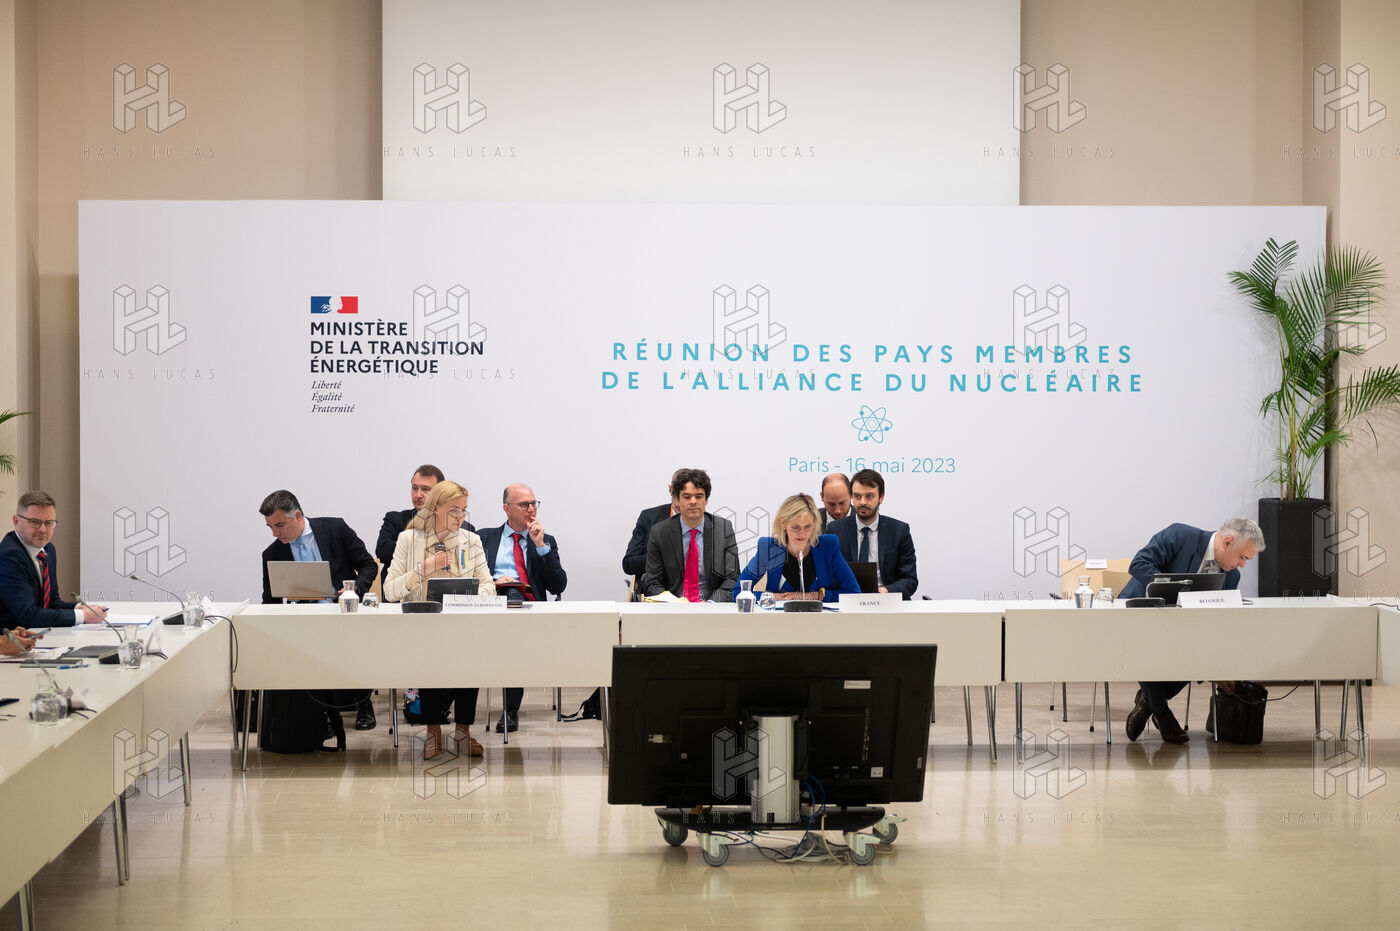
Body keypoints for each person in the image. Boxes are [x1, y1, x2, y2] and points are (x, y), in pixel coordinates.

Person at [1120, 518, 1265, 744]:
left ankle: (1149, 702)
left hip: (1183, 631)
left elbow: (1214, 624)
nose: (1243, 565)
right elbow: (1139, 564)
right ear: (1227, 542)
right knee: (1150, 646)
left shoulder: (1231, 577)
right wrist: (1172, 591)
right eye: (1243, 557)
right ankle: (1163, 714)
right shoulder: (1180, 536)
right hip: (1141, 617)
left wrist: (1219, 667)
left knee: (1198, 649)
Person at [384, 480, 496, 759]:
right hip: (423, 628)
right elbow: (389, 591)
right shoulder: (408, 540)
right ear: (435, 509)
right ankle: (433, 733)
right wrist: (422, 570)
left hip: (462, 626)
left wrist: (467, 594)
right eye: (454, 510)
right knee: (431, 660)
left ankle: (463, 733)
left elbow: (488, 586)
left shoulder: (471, 540)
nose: (461, 516)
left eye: (464, 510)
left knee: (470, 659)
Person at [259, 489, 379, 730]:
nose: (275, 533)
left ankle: (363, 704)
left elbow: (368, 565)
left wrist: (354, 589)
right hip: (304, 619)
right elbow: (270, 601)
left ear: (297, 516)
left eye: (279, 525)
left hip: (343, 611)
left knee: (353, 639)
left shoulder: (334, 529)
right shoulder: (272, 554)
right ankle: (320, 713)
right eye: (270, 527)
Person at [477, 483, 567, 732]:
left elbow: (558, 585)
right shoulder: (484, 538)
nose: (531, 509)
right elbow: (470, 577)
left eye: (534, 503)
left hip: (529, 612)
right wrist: (493, 582)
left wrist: (540, 547)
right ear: (506, 508)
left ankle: (510, 708)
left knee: (514, 610)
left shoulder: (546, 541)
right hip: (488, 605)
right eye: (524, 504)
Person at [1, 489, 107, 631]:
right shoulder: (9, 556)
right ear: (16, 521)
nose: (43, 530)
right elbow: (28, 615)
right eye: (35, 522)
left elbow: (52, 603)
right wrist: (82, 616)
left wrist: (80, 608)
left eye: (49, 523)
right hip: (13, 640)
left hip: (40, 634)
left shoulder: (48, 549)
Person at [734, 493, 861, 603]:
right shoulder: (769, 548)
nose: (802, 534)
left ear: (814, 524)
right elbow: (738, 593)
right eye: (795, 527)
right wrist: (771, 597)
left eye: (808, 527)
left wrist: (817, 596)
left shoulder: (828, 546)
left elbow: (854, 593)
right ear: (784, 524)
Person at [640, 468, 738, 602]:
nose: (693, 501)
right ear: (677, 500)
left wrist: (711, 604)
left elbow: (732, 578)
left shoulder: (723, 529)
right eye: (687, 497)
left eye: (699, 496)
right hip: (673, 607)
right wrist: (674, 604)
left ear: (706, 500)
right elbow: (653, 582)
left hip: (712, 606)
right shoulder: (659, 532)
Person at [376, 464, 474, 589]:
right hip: (403, 593)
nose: (418, 495)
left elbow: (477, 577)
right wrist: (421, 546)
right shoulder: (396, 520)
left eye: (425, 489)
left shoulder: (464, 529)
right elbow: (383, 552)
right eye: (414, 488)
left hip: (451, 594)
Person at [827, 469, 919, 599]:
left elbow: (909, 580)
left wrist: (885, 591)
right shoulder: (835, 530)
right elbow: (829, 576)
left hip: (887, 600)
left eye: (869, 496)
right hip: (848, 600)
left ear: (881, 497)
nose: (862, 502)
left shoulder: (899, 531)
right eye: (857, 496)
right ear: (851, 496)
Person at [621, 468, 685, 587]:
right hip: (653, 590)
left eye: (685, 496)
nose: (679, 502)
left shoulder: (708, 524)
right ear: (670, 489)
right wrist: (661, 557)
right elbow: (629, 564)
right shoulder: (648, 517)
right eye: (676, 494)